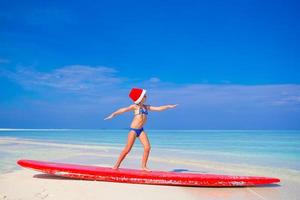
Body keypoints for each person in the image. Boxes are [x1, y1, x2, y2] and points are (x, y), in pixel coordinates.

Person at [104, 88, 177, 171]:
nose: (146, 97)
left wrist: (168, 106)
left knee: (147, 147)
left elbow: (158, 109)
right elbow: (123, 110)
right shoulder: (135, 107)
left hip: (141, 130)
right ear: (140, 98)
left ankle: (143, 166)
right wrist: (113, 114)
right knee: (127, 149)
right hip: (133, 130)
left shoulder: (146, 107)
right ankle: (116, 166)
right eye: (144, 96)